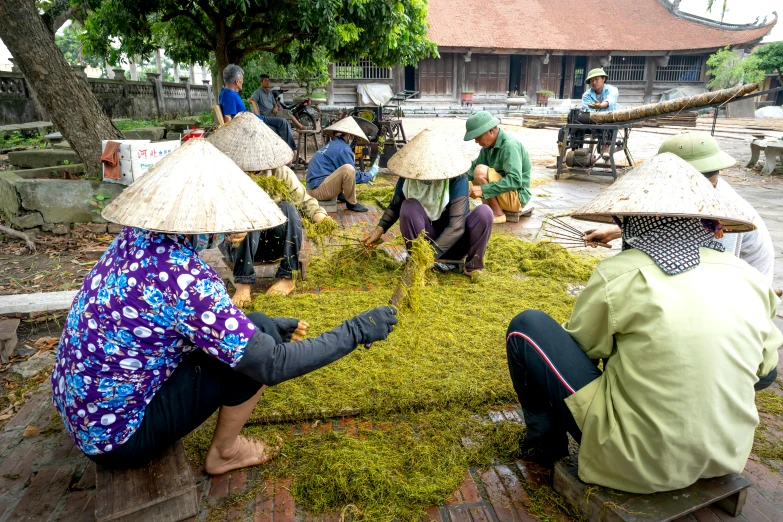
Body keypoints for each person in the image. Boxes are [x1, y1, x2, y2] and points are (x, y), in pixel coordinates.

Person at [51, 139, 398, 473]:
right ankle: (225, 453)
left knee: (259, 328)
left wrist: (265, 325)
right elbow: (273, 366)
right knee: (254, 359)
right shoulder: (185, 280)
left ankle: (259, 336)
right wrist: (355, 331)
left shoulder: (136, 238)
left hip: (84, 407)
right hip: (117, 438)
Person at [506, 153, 780, 494]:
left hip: (635, 460)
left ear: (631, 221)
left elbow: (584, 349)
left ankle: (543, 443)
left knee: (526, 326)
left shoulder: (619, 273)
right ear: (705, 220)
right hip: (725, 455)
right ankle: (705, 425)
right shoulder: (748, 277)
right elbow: (767, 372)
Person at [585, 132, 775, 285]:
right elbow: (677, 225)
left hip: (741, 290)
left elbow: (711, 269)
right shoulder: (697, 192)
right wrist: (614, 231)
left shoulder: (726, 216)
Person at [208, 112, 336, 301]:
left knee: (288, 208)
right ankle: (243, 284)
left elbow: (304, 201)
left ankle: (287, 277)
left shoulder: (279, 173)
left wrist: (321, 218)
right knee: (252, 210)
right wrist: (227, 232)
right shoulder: (226, 175)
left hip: (274, 243)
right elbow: (212, 213)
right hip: (237, 246)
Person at [361, 129, 493, 275]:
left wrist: (429, 256)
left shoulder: (456, 178)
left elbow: (456, 227)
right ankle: (417, 260)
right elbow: (395, 206)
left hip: (456, 244)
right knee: (408, 205)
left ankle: (473, 267)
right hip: (425, 240)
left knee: (485, 212)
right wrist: (379, 230)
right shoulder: (409, 176)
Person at [463, 111, 532, 224]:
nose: (476, 141)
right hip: (505, 196)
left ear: (491, 130)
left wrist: (483, 189)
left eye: (478, 137)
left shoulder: (510, 146)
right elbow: (471, 169)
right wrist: (452, 179)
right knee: (477, 171)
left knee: (480, 171)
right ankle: (490, 210)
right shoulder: (487, 148)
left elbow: (515, 181)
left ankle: (498, 214)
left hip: (516, 198)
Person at [218, 64, 298, 156]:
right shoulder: (229, 95)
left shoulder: (227, 92)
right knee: (282, 123)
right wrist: (230, 141)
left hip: (255, 119)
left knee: (282, 123)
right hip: (253, 124)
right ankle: (292, 154)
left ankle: (290, 154)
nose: (242, 82)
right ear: (237, 81)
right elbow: (227, 117)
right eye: (242, 80)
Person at [306, 117, 379, 213]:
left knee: (345, 165)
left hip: (314, 187)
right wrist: (370, 174)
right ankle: (352, 203)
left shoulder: (334, 144)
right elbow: (354, 176)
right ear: (349, 136)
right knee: (348, 169)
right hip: (318, 191)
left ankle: (340, 194)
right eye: (353, 136)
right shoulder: (343, 149)